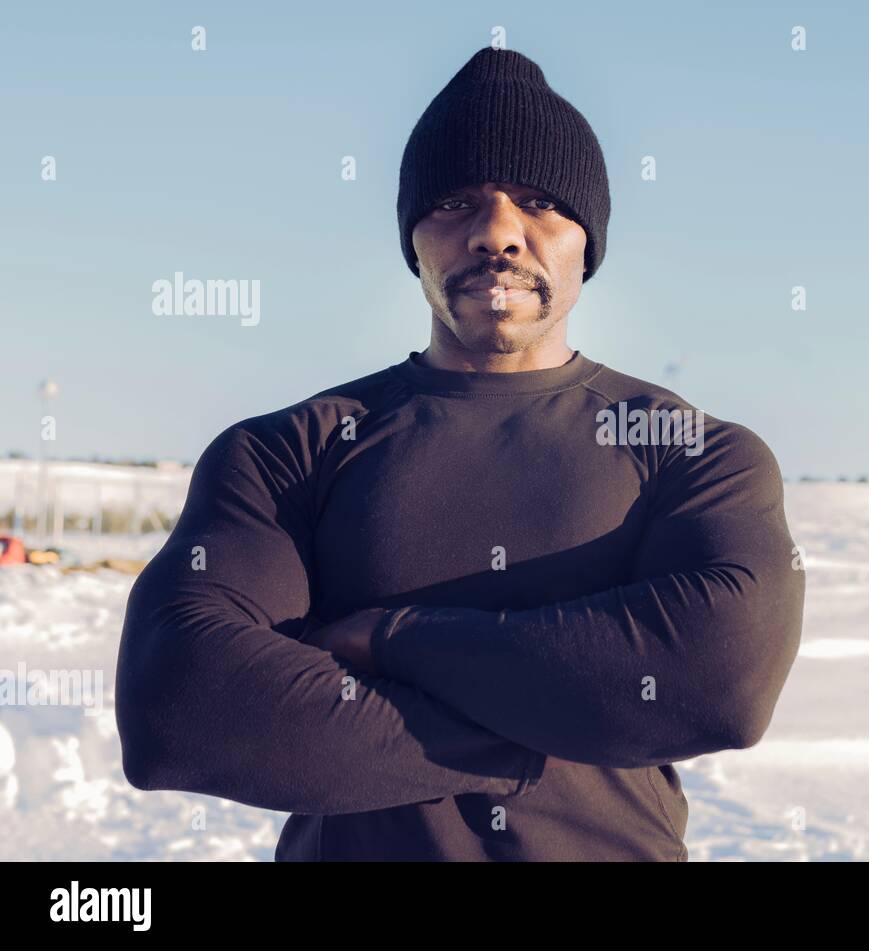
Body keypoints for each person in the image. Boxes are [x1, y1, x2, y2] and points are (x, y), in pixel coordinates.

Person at [115, 46, 804, 861]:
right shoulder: (287, 453)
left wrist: (393, 640)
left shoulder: (688, 451)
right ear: (413, 238)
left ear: (589, 240)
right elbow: (178, 701)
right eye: (455, 200)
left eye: (542, 202)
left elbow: (721, 678)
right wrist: (536, 725)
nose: (497, 233)